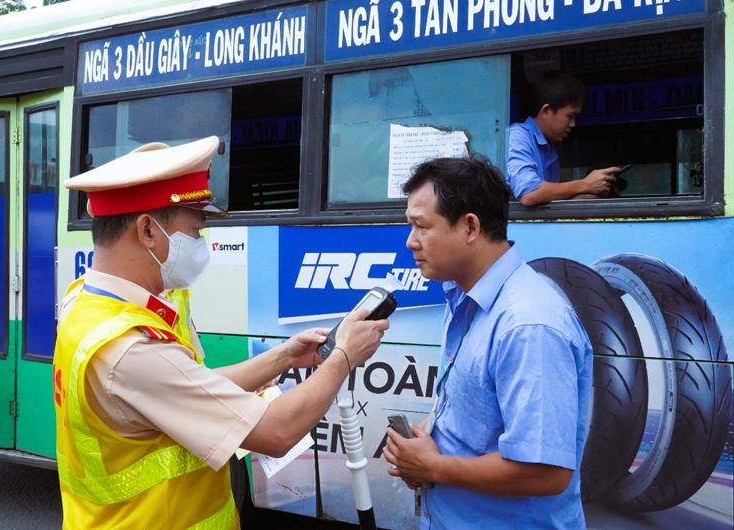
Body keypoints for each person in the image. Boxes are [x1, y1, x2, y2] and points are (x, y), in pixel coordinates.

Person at [54, 136, 389, 529]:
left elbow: (191, 387)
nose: (203, 244)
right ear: (147, 231)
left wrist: (282, 357)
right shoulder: (129, 349)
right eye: (195, 231)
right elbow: (276, 431)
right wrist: (344, 357)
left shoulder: (87, 303)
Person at [383, 156, 593, 529]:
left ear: (470, 227)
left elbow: (545, 473)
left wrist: (434, 467)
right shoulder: (464, 299)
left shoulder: (528, 325)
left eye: (422, 226)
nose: (410, 242)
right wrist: (425, 452)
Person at [506, 71, 621, 206]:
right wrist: (585, 185)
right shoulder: (517, 136)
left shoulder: (548, 149)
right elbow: (529, 194)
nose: (573, 124)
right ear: (546, 111)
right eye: (570, 116)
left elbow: (547, 202)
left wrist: (588, 194)